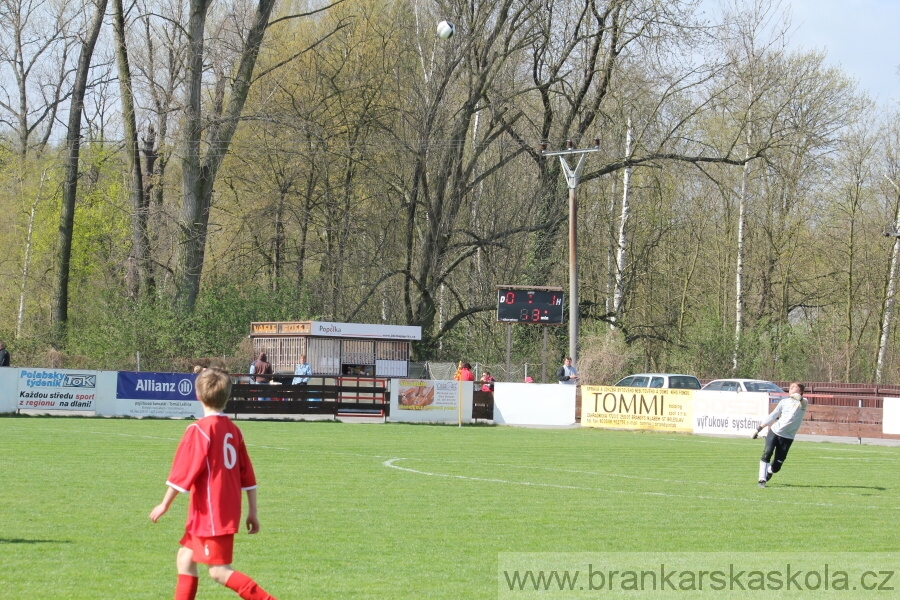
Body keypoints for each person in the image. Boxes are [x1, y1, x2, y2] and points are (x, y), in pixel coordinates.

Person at [149, 368, 277, 600]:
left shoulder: (199, 430)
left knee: (219, 571)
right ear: (227, 397)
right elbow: (247, 476)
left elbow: (183, 472)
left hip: (212, 512)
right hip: (214, 511)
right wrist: (253, 512)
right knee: (185, 558)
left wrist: (164, 504)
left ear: (197, 395)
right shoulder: (233, 430)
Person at [752, 381, 808, 488]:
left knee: (777, 466)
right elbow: (772, 416)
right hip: (774, 431)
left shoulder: (803, 402)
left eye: (794, 387)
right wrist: (758, 429)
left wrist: (799, 398)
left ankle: (769, 470)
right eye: (790, 387)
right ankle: (761, 480)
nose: (791, 388)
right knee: (767, 453)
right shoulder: (784, 402)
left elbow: (803, 402)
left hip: (787, 437)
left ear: (800, 391)